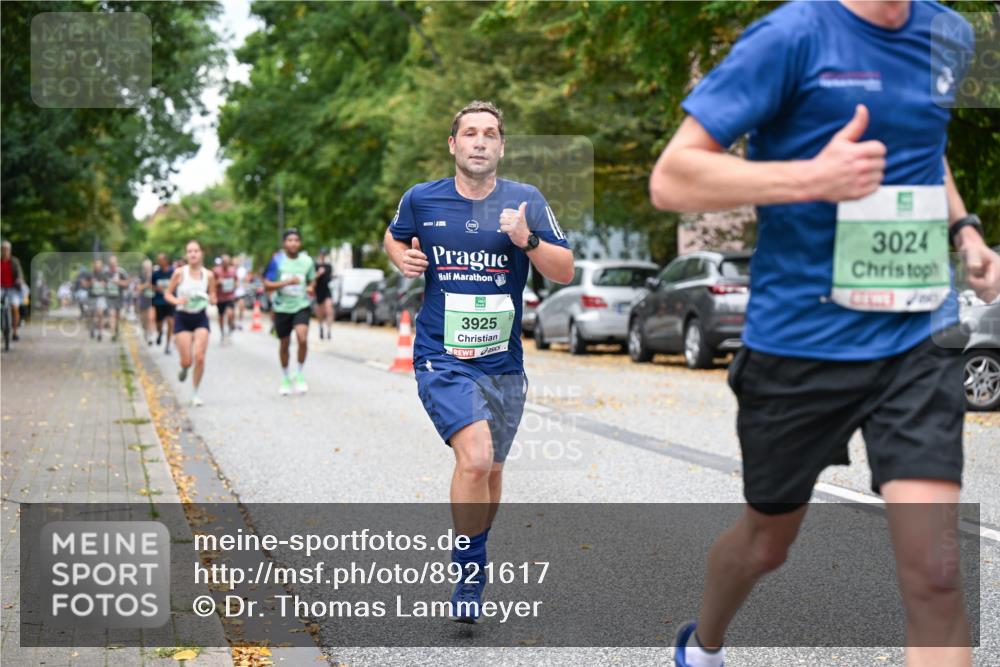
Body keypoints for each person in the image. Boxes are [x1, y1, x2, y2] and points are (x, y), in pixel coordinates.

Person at [648, 2, 1000, 666]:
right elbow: (672, 177)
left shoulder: (951, 33)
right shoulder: (792, 36)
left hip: (916, 337)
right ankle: (704, 643)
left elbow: (926, 144)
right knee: (765, 544)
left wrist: (966, 230)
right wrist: (813, 177)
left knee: (937, 571)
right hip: (801, 343)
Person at [383, 100, 574, 623]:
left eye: (490, 133)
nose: (480, 141)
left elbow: (565, 271)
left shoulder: (525, 200)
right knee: (473, 457)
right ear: (453, 144)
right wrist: (400, 257)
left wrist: (526, 240)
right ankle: (469, 571)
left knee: (490, 468)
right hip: (442, 354)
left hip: (504, 361)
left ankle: (475, 551)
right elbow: (394, 237)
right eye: (470, 133)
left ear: (501, 146)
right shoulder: (422, 199)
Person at [164, 240, 216, 407]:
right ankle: (185, 368)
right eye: (190, 251)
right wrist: (178, 300)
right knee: (187, 361)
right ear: (186, 255)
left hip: (200, 317)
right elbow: (168, 294)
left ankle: (195, 393)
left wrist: (212, 299)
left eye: (196, 251)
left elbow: (213, 296)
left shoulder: (209, 275)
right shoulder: (180, 273)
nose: (193, 254)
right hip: (182, 317)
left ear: (201, 253)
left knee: (200, 356)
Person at [264, 230, 316, 395]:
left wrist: (311, 287)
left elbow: (311, 279)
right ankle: (286, 377)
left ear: (300, 243)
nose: (293, 243)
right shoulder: (277, 261)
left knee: (302, 338)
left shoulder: (307, 261)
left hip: (301, 305)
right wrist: (286, 282)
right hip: (282, 307)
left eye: (296, 240)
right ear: (284, 243)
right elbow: (267, 284)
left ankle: (299, 373)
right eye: (289, 240)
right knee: (284, 344)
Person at [0, 241, 25, 341]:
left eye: (7, 249)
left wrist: (19, 279)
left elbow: (19, 273)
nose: (5, 251)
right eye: (3, 249)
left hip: (13, 288)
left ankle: (15, 332)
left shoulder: (14, 261)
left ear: (10, 250)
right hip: (1, 288)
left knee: (15, 307)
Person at [152, 253, 175, 355]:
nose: (159, 262)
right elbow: (151, 285)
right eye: (158, 260)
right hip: (159, 301)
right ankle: (160, 332)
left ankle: (168, 345)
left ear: (166, 261)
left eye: (161, 260)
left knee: (170, 322)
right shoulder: (156, 274)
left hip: (170, 301)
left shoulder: (173, 272)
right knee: (159, 324)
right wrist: (157, 288)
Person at [213, 253, 239, 342]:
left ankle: (230, 326)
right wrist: (218, 282)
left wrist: (235, 285)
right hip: (220, 297)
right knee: (221, 316)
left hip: (230, 296)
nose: (225, 263)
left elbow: (236, 281)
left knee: (230, 313)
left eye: (227, 262)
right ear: (221, 262)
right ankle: (222, 332)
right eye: (224, 262)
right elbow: (212, 284)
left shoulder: (233, 271)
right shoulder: (216, 271)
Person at [104, 255, 129, 342]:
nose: (112, 265)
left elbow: (127, 283)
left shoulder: (121, 272)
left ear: (117, 263)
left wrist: (118, 282)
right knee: (112, 314)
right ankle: (113, 334)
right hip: (109, 297)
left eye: (114, 263)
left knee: (118, 316)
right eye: (111, 263)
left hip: (119, 297)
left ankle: (116, 329)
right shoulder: (105, 272)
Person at [313, 249, 334, 339]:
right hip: (318, 291)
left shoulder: (328, 266)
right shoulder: (315, 265)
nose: (323, 256)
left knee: (329, 309)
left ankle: (329, 330)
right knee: (320, 312)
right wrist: (318, 273)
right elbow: (312, 278)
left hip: (327, 290)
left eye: (324, 254)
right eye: (322, 254)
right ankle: (321, 326)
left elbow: (330, 277)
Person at [88, 258, 108, 342]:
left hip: (101, 296)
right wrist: (90, 283)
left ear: (101, 265)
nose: (97, 266)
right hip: (92, 296)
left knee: (100, 314)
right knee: (92, 315)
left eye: (99, 264)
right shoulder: (90, 274)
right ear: (94, 265)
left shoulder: (104, 274)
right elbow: (84, 284)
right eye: (96, 264)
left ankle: (100, 333)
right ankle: (92, 329)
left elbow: (107, 284)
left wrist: (103, 284)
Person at [137, 259, 156, 345]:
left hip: (152, 300)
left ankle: (150, 335)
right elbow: (138, 288)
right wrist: (146, 284)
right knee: (144, 320)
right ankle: (146, 331)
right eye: (146, 267)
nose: (148, 268)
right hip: (143, 299)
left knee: (150, 318)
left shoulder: (155, 275)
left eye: (149, 267)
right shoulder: (141, 276)